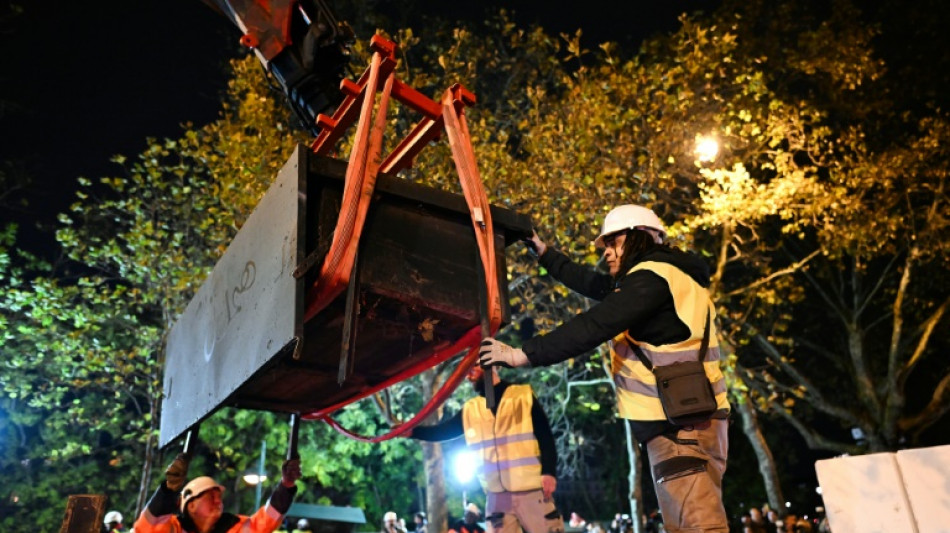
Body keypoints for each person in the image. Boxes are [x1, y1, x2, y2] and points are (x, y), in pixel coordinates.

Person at [478, 204, 731, 533]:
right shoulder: (667, 277)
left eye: (614, 242)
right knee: (686, 522)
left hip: (679, 427)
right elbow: (594, 285)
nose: (607, 252)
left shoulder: (651, 280)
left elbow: (593, 326)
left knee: (697, 525)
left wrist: (520, 355)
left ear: (641, 237)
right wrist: (543, 252)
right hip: (690, 419)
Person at [406, 366, 564, 533]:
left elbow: (544, 434)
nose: (468, 376)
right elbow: (443, 431)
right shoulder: (471, 409)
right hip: (496, 495)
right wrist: (413, 432)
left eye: (473, 368)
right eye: (466, 371)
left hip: (530, 490)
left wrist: (549, 471)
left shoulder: (521, 396)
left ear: (491, 365)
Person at [133, 452, 302, 533]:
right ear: (191, 505)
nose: (218, 501)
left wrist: (286, 485)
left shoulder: (234, 528)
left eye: (219, 496)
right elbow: (148, 527)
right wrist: (169, 490)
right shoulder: (172, 529)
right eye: (210, 497)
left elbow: (268, 518)